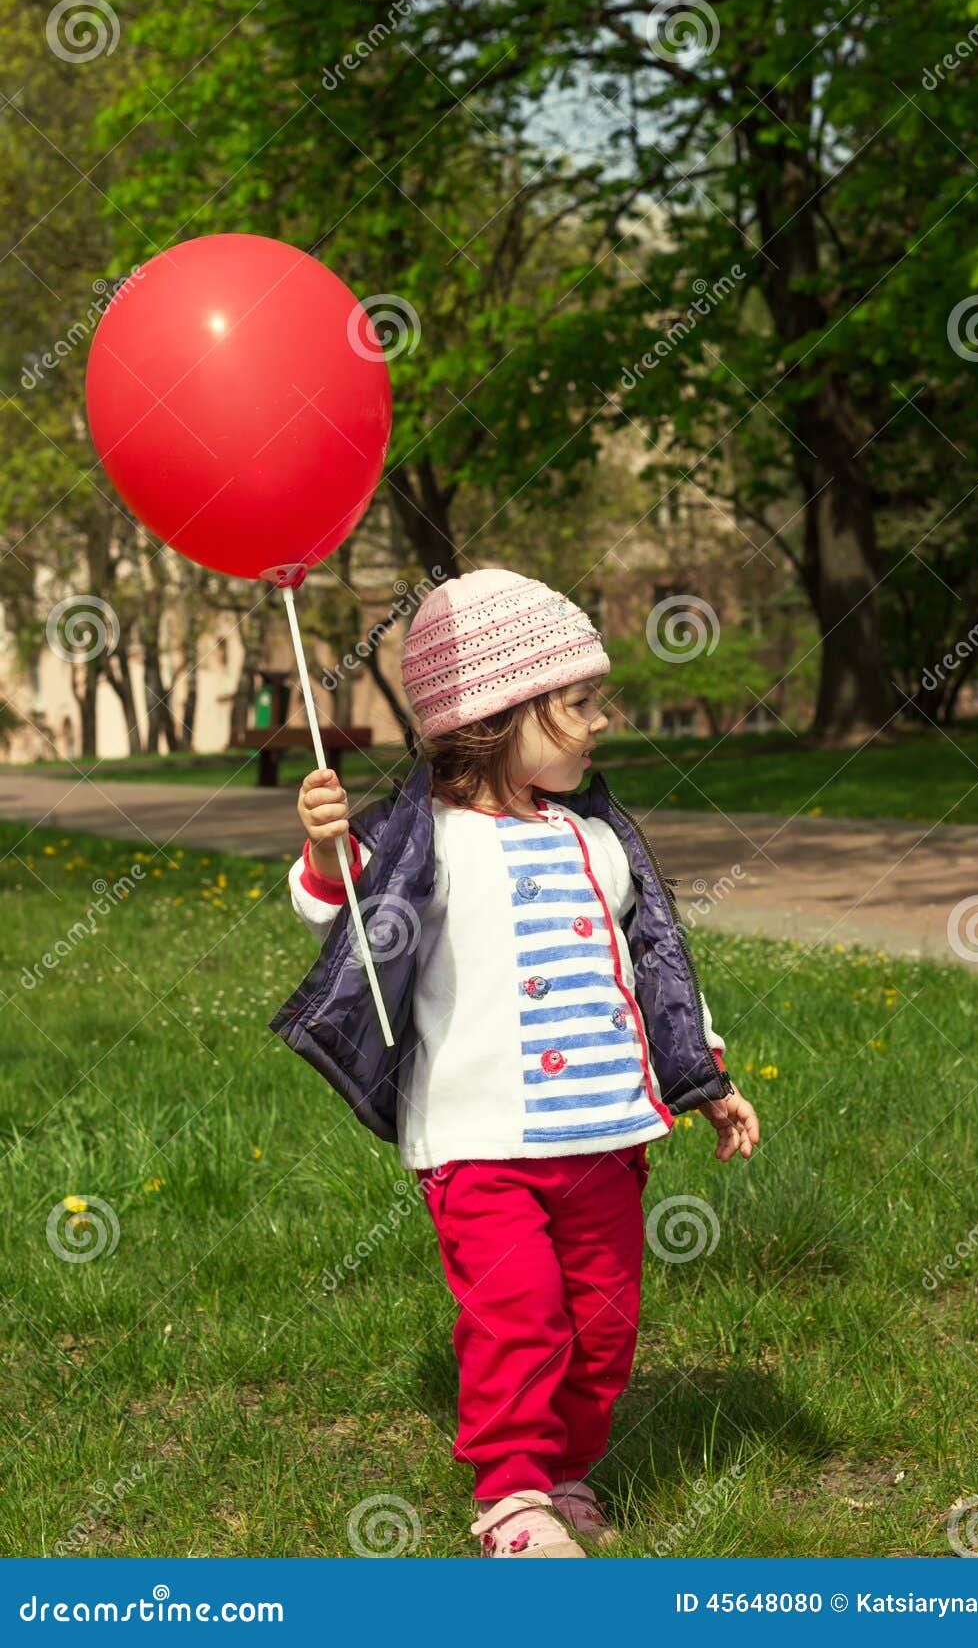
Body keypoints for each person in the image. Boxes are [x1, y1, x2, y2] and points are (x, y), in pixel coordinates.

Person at [286, 568, 760, 1558]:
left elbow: (652, 962)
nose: (602, 720)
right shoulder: (423, 842)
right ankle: (509, 1494)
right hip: (479, 1140)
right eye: (580, 702)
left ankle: (565, 1470)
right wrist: (330, 855)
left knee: (599, 1323)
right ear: (497, 714)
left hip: (605, 1141)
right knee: (519, 1319)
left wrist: (703, 1073)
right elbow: (338, 917)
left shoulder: (596, 839)